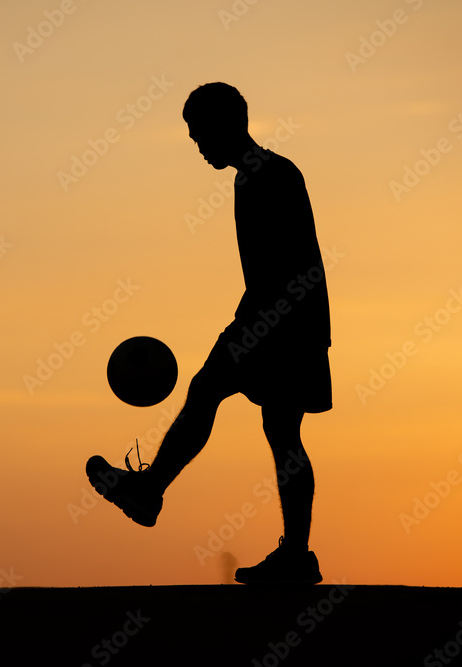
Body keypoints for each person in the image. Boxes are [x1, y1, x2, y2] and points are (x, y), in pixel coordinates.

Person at [86, 82, 331, 585]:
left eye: (200, 134)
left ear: (226, 125)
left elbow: (288, 260)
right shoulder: (253, 177)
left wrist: (259, 321)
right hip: (288, 320)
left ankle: (150, 490)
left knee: (207, 391)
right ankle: (298, 557)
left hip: (280, 321)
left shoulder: (270, 175)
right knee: (282, 432)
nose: (198, 144)